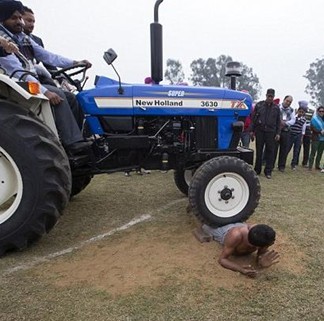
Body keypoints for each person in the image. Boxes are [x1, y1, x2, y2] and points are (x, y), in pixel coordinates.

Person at [0, 1, 91, 154]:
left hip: (30, 78)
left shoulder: (22, 37)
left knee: (72, 98)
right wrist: (45, 91)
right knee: (58, 95)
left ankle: (78, 136)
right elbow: (17, 70)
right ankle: (72, 143)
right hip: (18, 82)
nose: (19, 22)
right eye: (13, 18)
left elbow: (47, 56)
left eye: (19, 18)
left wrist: (74, 62)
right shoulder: (3, 42)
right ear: (2, 19)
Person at [21, 6, 83, 127]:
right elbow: (17, 66)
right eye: (28, 20)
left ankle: (81, 134)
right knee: (58, 94)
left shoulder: (33, 40)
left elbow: (49, 59)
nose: (32, 24)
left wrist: (74, 65)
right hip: (26, 78)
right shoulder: (9, 39)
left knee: (72, 97)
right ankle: (71, 140)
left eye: (33, 21)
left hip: (40, 76)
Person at [202, 223, 279, 278]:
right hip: (223, 232)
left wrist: (261, 263)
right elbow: (222, 259)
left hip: (239, 224)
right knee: (205, 225)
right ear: (255, 246)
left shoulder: (263, 236)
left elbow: (260, 255)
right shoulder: (236, 236)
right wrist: (241, 269)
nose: (271, 245)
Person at [250, 88, 281, 179]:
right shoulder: (259, 105)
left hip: (271, 132)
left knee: (270, 152)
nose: (270, 98)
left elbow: (278, 122)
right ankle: (257, 170)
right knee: (259, 151)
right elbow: (253, 119)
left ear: (273, 97)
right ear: (266, 95)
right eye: (269, 96)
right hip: (260, 131)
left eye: (272, 96)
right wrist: (251, 131)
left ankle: (268, 171)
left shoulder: (276, 108)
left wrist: (278, 133)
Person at [273, 95, 294, 172]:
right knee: (274, 149)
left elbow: (293, 120)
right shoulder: (277, 107)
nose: (288, 103)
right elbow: (273, 117)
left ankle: (281, 166)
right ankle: (271, 165)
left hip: (286, 131)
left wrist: (285, 123)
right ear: (284, 100)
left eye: (290, 102)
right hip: (276, 131)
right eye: (287, 101)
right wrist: (279, 122)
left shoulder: (292, 110)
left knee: (284, 150)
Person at [285, 104, 307, 170]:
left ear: (304, 113)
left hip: (298, 136)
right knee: (287, 149)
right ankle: (282, 162)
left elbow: (303, 130)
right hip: (291, 135)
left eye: (302, 112)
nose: (301, 113)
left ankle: (293, 164)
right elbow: (290, 124)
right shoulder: (294, 117)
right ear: (297, 111)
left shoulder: (304, 120)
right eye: (300, 111)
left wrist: (301, 139)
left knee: (296, 151)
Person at [298, 101, 314, 167]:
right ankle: (295, 161)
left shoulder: (311, 111)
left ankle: (304, 162)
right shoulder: (299, 110)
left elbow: (312, 120)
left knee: (306, 147)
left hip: (308, 130)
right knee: (298, 146)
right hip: (299, 129)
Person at [308, 106, 324, 170]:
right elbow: (312, 128)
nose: (321, 112)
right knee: (313, 153)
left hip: (323, 140)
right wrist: (320, 131)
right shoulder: (314, 119)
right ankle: (310, 166)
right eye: (320, 111)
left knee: (320, 153)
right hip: (316, 138)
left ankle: (317, 166)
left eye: (323, 111)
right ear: (317, 111)